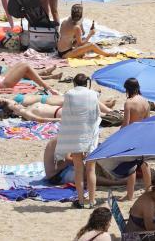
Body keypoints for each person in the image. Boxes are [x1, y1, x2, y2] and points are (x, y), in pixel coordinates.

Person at [58, 73, 102, 209]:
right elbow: (97, 113)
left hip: (76, 135)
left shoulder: (69, 94)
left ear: (75, 83)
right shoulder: (93, 94)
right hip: (90, 135)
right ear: (86, 83)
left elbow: (65, 114)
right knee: (91, 169)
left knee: (78, 170)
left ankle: (81, 201)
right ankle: (92, 200)